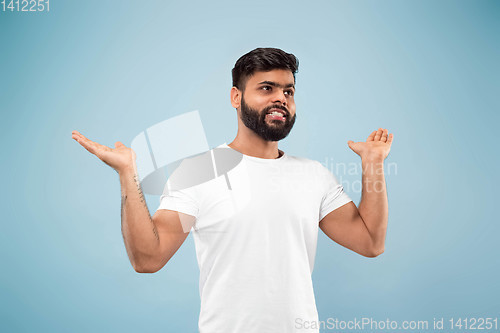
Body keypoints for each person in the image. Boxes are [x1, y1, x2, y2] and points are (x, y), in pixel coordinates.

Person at [71, 47, 394, 332]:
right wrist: (128, 173)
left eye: (289, 91)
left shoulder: (314, 175)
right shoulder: (198, 171)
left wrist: (372, 163)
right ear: (235, 97)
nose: (281, 98)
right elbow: (148, 259)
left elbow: (370, 242)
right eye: (266, 88)